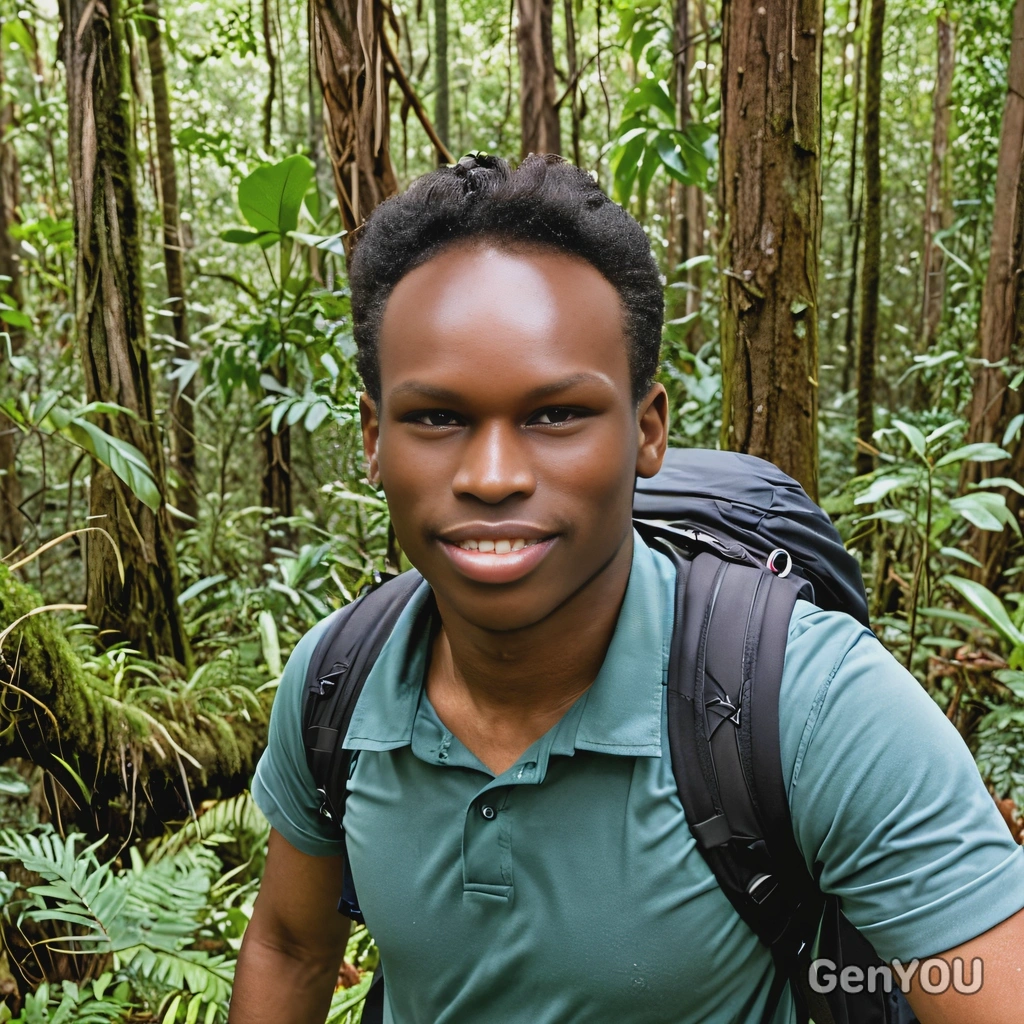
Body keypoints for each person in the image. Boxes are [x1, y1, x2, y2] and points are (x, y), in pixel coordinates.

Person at [228, 155, 1024, 1024]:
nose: (492, 476)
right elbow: (290, 945)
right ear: (376, 440)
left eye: (556, 415)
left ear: (646, 433)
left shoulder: (815, 705)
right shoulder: (337, 681)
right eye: (438, 418)